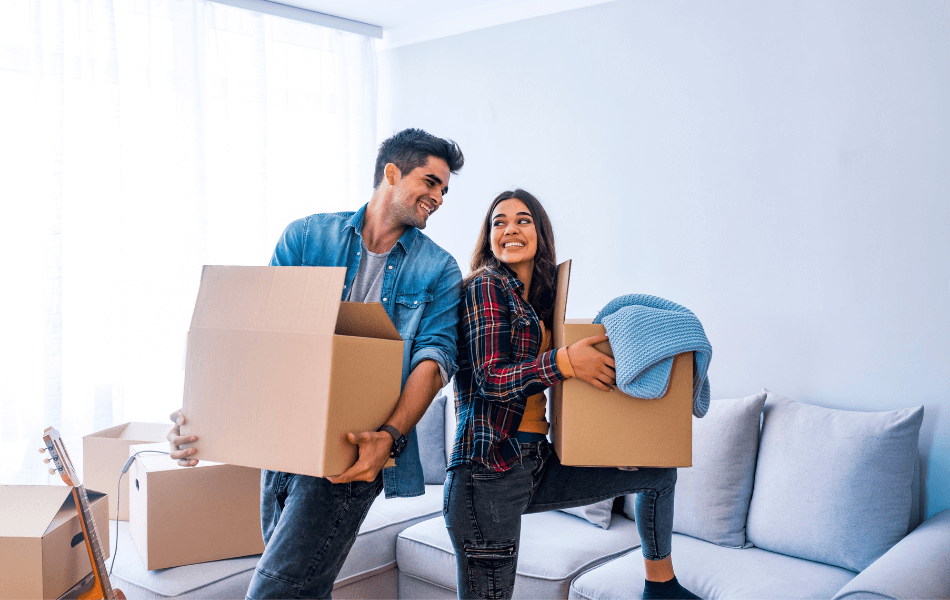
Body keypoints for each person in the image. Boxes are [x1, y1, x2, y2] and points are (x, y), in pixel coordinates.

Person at [167, 128, 465, 599]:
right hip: (284, 445)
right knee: (303, 588)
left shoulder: (440, 270)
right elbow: (262, 338)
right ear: (392, 173)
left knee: (274, 593)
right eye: (431, 182)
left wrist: (388, 439)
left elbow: (434, 360)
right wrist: (207, 416)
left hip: (353, 449)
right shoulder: (306, 237)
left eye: (444, 189)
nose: (439, 197)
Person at [445, 189, 701, 600]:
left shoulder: (538, 302)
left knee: (657, 472)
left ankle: (661, 586)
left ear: (540, 233)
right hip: (487, 475)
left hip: (535, 463)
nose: (510, 228)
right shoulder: (485, 286)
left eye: (523, 220)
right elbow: (491, 379)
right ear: (489, 237)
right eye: (499, 222)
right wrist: (564, 362)